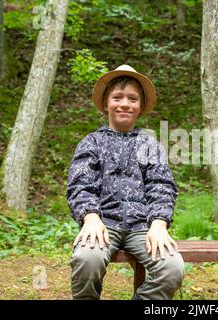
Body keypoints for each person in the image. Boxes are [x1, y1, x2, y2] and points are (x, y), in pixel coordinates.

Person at [66, 64, 184, 300]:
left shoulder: (149, 144)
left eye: (132, 98)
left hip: (143, 227)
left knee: (172, 269)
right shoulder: (92, 142)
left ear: (140, 107)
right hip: (102, 224)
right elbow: (80, 184)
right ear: (106, 104)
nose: (125, 103)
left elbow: (161, 185)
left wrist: (159, 224)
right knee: (87, 260)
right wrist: (90, 217)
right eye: (117, 97)